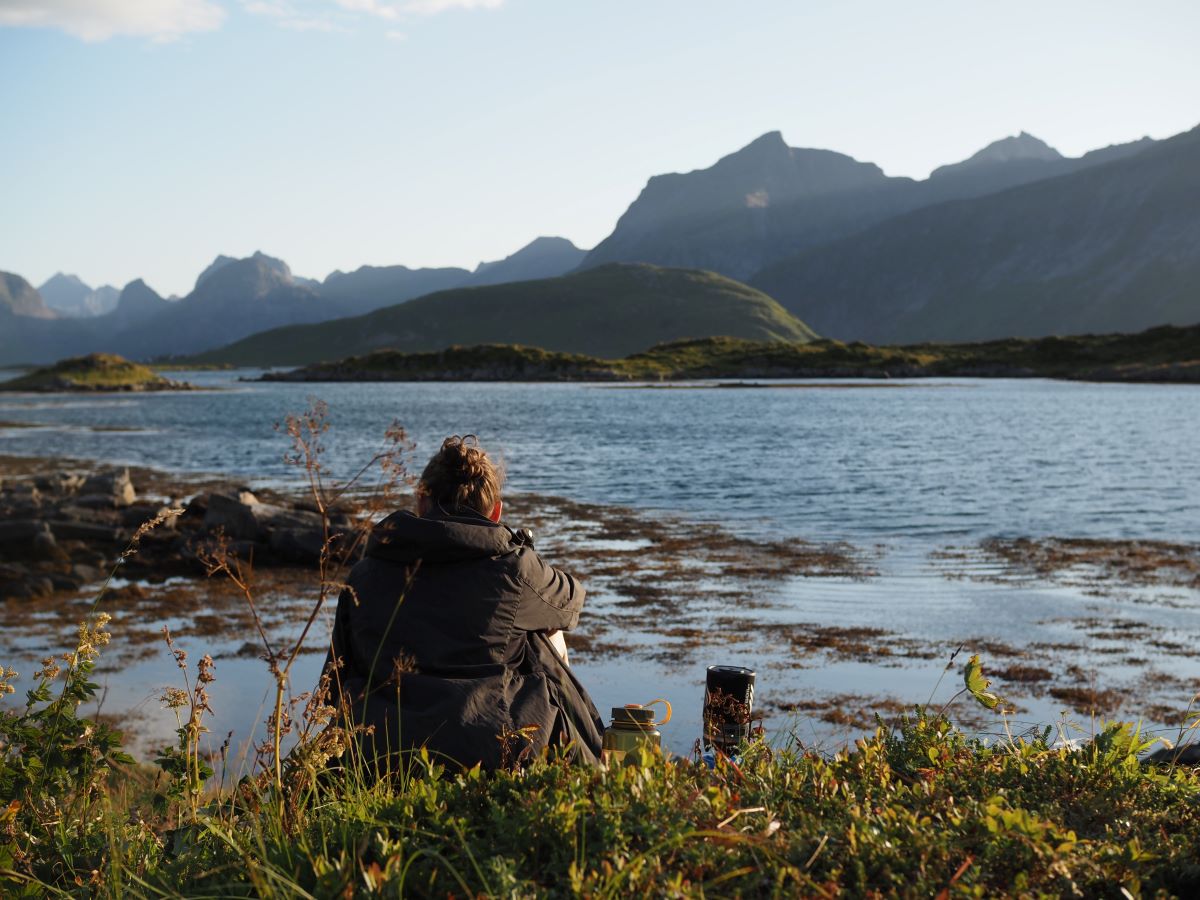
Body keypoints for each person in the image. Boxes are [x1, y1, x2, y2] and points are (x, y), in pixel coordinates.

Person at [322, 434, 604, 772]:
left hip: (377, 748)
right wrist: (524, 556)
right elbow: (571, 603)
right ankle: (593, 758)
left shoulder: (365, 573)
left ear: (420, 501)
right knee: (543, 629)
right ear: (495, 511)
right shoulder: (514, 568)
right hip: (491, 745)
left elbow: (334, 677)